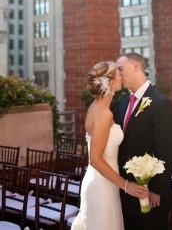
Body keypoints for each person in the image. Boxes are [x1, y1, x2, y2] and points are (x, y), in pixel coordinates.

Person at [72, 61, 148, 230]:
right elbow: (95, 159)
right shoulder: (103, 113)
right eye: (118, 72)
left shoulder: (98, 107)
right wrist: (126, 185)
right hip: (101, 187)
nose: (122, 74)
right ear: (111, 82)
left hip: (106, 183)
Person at [115, 53, 172, 230]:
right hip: (126, 190)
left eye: (121, 69)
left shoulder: (161, 103)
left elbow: (166, 150)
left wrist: (157, 189)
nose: (118, 75)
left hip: (151, 193)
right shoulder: (122, 103)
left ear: (136, 67)